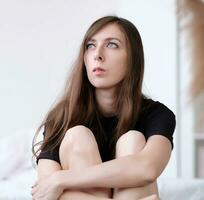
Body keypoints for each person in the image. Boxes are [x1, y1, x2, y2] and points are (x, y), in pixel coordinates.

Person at [31, 15, 176, 200]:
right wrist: (56, 182)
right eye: (90, 45)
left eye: (112, 45)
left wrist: (62, 179)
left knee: (132, 139)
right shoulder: (62, 116)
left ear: (133, 58)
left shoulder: (157, 114)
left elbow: (147, 169)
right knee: (77, 136)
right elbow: (46, 192)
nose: (97, 54)